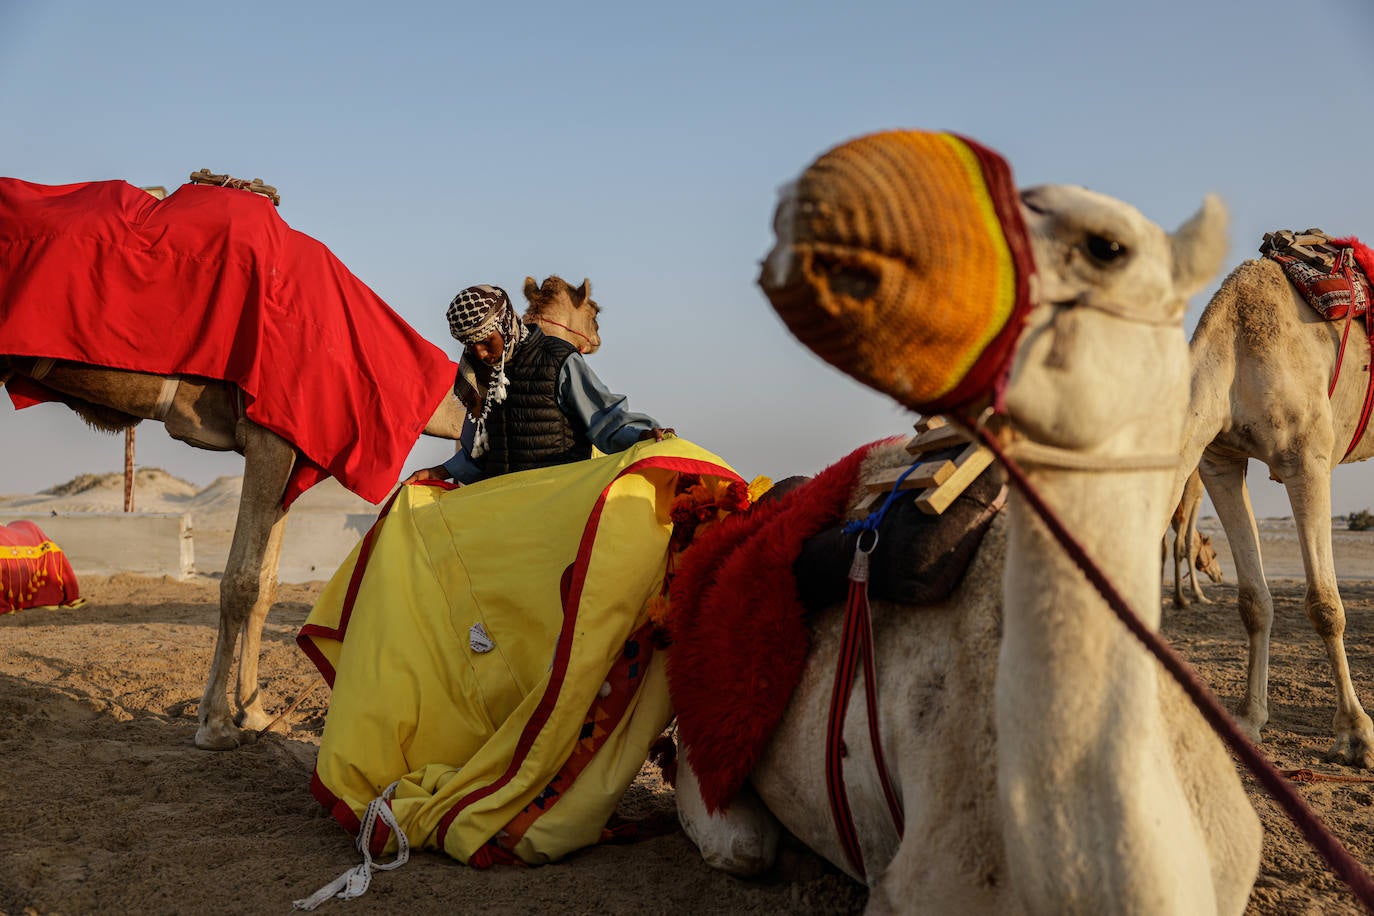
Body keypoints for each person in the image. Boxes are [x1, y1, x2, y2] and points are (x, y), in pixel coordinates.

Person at [402, 284, 672, 486]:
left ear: (505, 324)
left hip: (557, 502)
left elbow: (605, 419)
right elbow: (481, 451)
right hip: (502, 511)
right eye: (471, 346)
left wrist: (641, 436)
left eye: (486, 341)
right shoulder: (479, 376)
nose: (480, 353)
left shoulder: (557, 359)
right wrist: (439, 472)